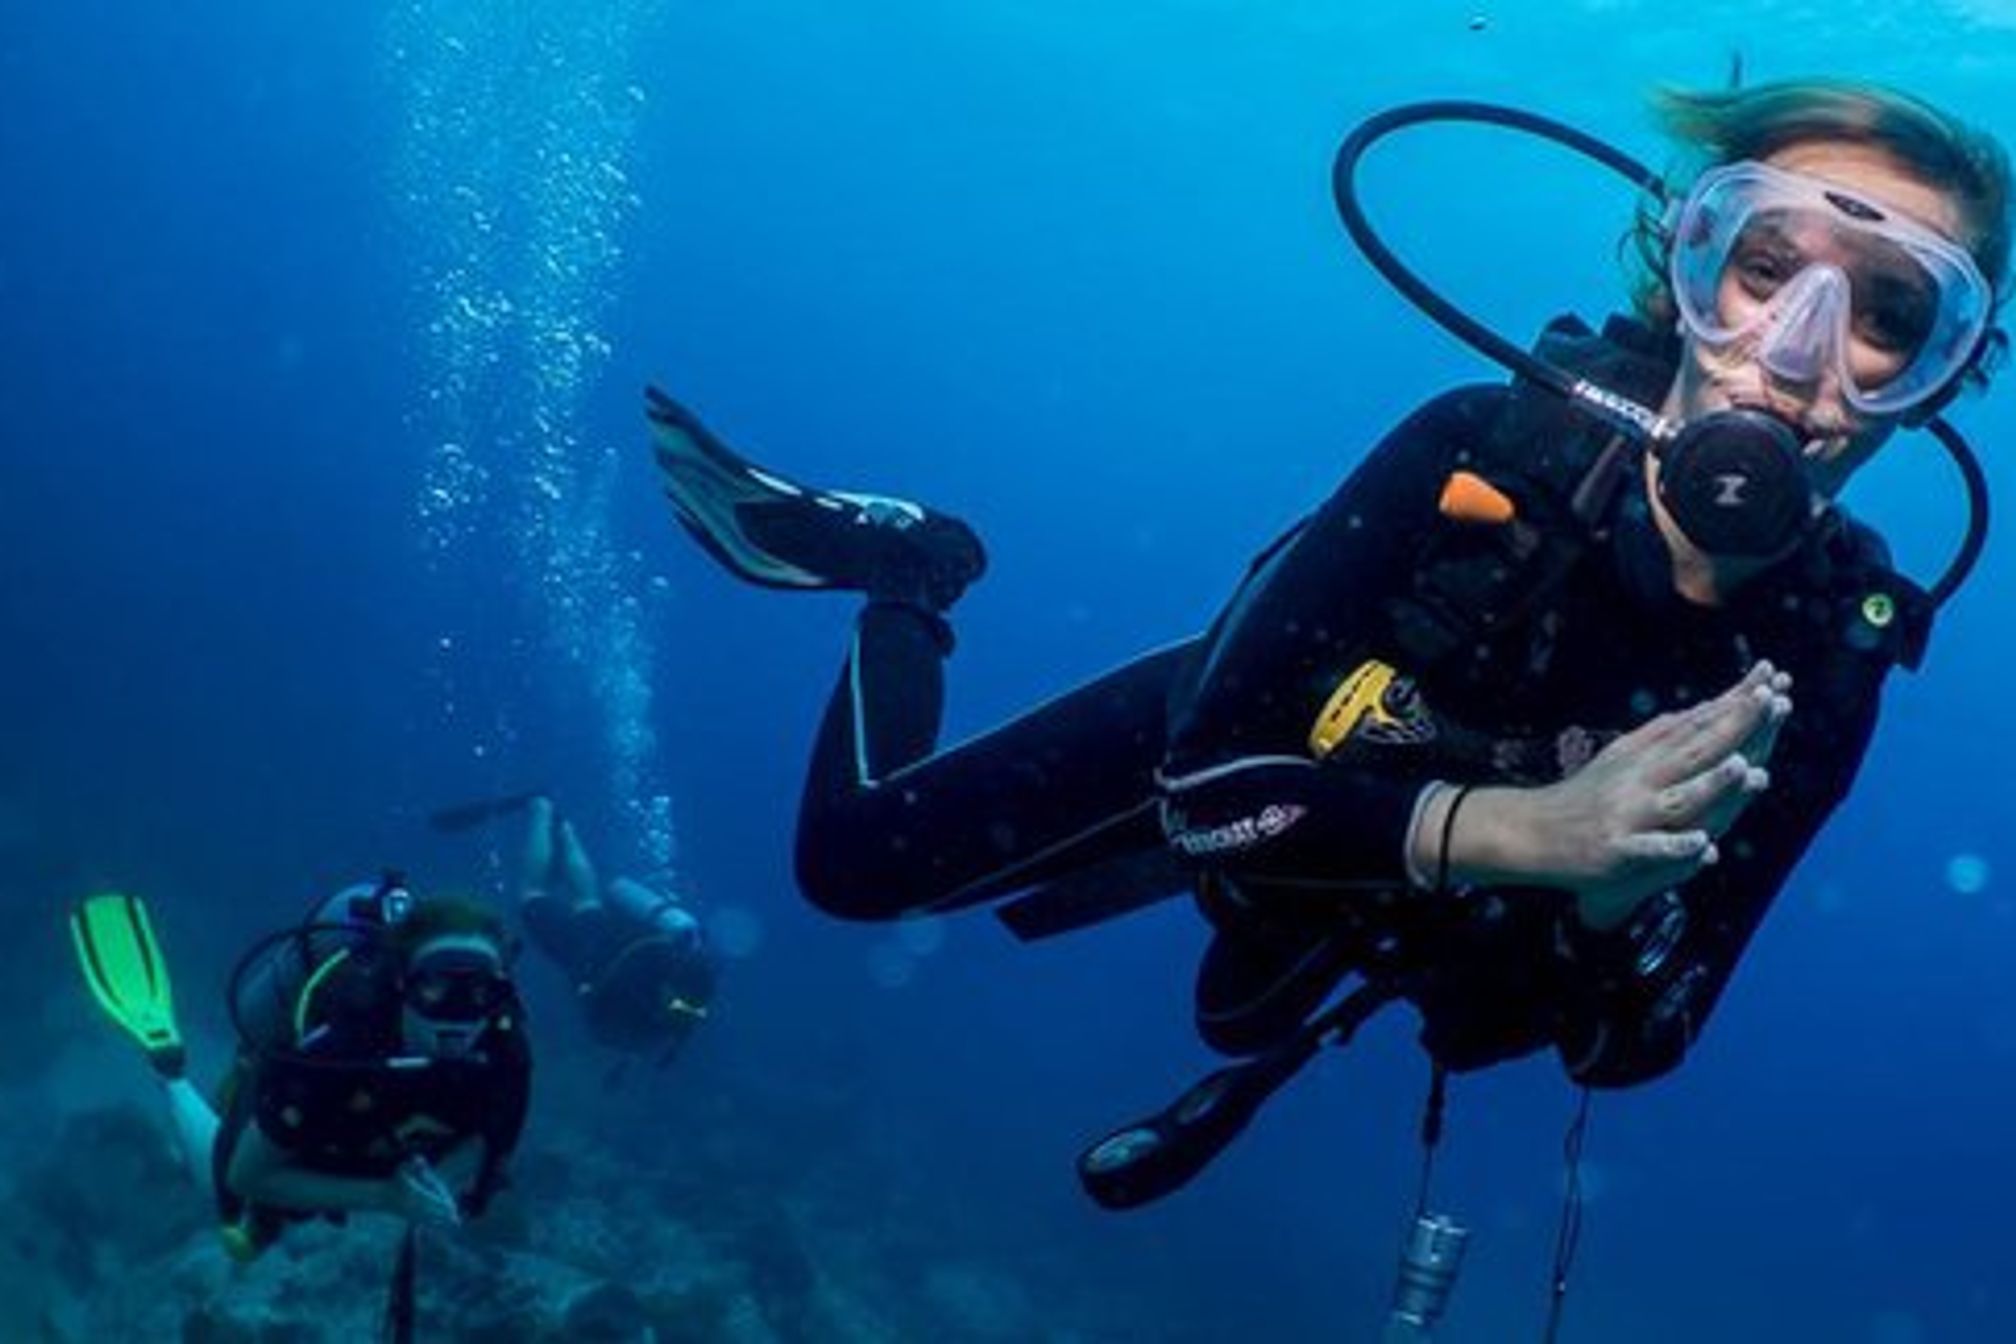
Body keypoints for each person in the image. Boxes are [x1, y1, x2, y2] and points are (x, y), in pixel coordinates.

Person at [639, 79, 2008, 1202]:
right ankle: (910, 576)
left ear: (1948, 374)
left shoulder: (1829, 655)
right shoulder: (1477, 450)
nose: (1794, 349)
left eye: (1891, 315)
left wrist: (1608, 912)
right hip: (1247, 735)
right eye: (1763, 266)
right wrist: (1524, 836)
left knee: (1241, 1015)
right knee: (849, 866)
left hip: (1368, 899)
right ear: (1687, 269)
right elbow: (1204, 786)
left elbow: (1627, 1049)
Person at [70, 877, 533, 1258]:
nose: (457, 1016)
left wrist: (432, 1183)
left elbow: (490, 1145)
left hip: (377, 1136)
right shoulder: (338, 1049)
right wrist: (386, 1198)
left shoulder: (504, 1052)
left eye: (477, 994)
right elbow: (245, 1175)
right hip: (318, 1112)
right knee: (223, 1195)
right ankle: (168, 1067)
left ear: (500, 995)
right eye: (435, 989)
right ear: (401, 984)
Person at [514, 795, 716, 1064]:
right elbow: (599, 1018)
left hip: (606, 934)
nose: (681, 1014)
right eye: (680, 1007)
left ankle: (565, 829)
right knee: (532, 893)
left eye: (692, 1012)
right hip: (581, 946)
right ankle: (542, 810)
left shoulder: (682, 982)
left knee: (587, 898)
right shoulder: (664, 999)